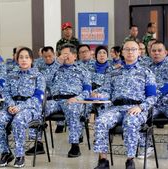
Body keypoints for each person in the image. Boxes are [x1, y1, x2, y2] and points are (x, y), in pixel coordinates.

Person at [92, 40, 157, 169]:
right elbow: (106, 91)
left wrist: (140, 107)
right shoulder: (113, 72)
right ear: (122, 52)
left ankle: (130, 160)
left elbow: (152, 97)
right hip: (116, 108)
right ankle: (103, 161)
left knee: (130, 122)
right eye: (127, 49)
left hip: (136, 108)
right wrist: (99, 94)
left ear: (139, 52)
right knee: (100, 121)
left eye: (133, 49)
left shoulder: (146, 72)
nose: (130, 52)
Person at [0, 47, 45, 168]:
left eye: (27, 57)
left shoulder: (38, 76)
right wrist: (11, 105)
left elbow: (37, 97)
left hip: (30, 108)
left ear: (31, 59)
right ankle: (5, 153)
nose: (24, 60)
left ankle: (20, 155)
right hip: (12, 106)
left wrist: (20, 107)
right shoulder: (11, 75)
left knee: (18, 120)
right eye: (21, 57)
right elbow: (5, 93)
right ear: (17, 60)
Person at [44, 44, 91, 158]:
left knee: (73, 109)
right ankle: (38, 144)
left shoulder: (83, 71)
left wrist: (77, 98)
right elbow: (43, 80)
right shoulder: (54, 68)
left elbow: (87, 91)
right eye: (62, 54)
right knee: (38, 109)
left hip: (73, 100)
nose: (64, 57)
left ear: (74, 56)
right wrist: (56, 64)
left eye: (66, 54)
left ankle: (75, 145)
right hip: (55, 100)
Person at [137, 41, 168, 159]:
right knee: (140, 115)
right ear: (150, 53)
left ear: (165, 52)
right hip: (151, 104)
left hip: (166, 102)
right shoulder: (146, 67)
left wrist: (156, 94)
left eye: (159, 50)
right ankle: (146, 146)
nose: (156, 53)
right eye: (154, 51)